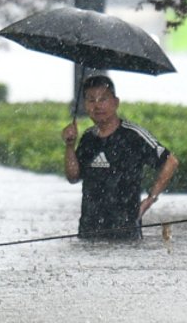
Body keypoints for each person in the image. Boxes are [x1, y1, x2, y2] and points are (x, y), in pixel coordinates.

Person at [61, 73, 177, 240]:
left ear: (116, 102)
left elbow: (171, 161)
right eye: (91, 100)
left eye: (103, 99)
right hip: (89, 229)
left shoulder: (134, 135)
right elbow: (73, 177)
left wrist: (150, 199)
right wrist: (70, 146)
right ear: (85, 105)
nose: (97, 106)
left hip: (125, 229)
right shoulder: (88, 138)